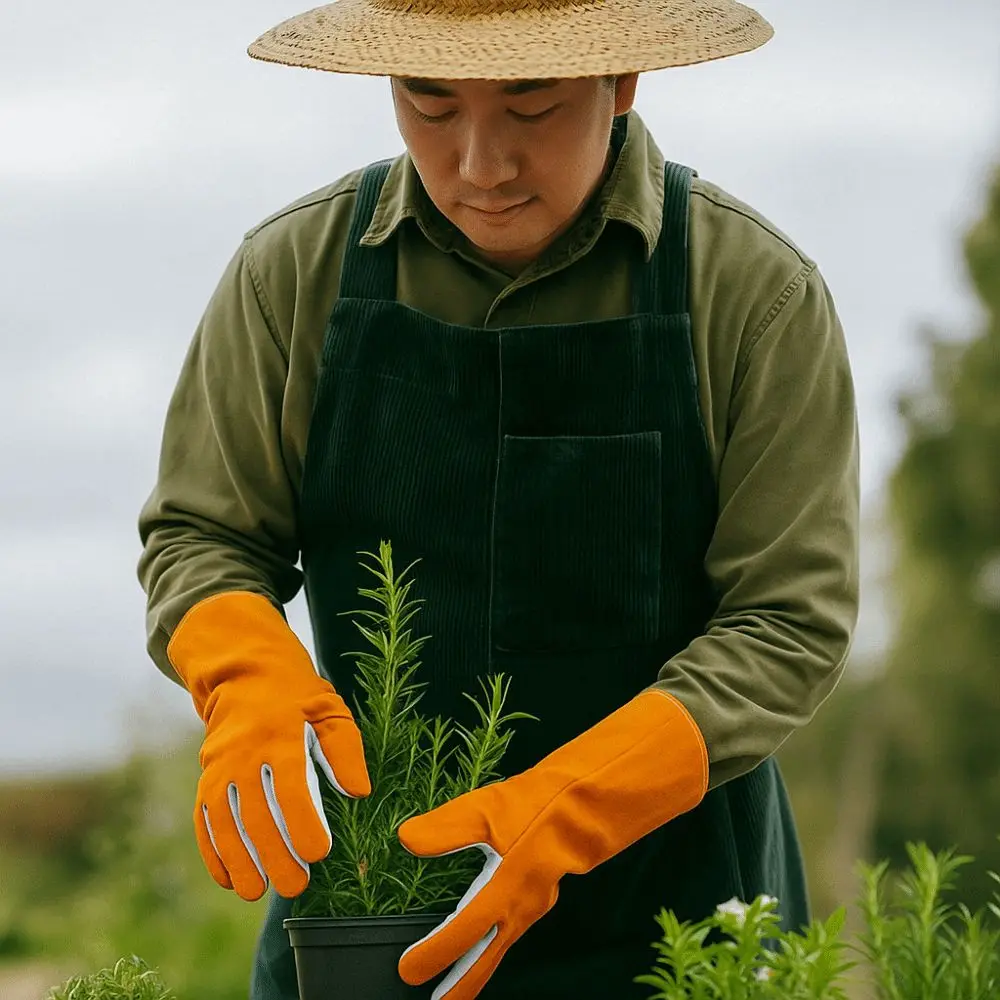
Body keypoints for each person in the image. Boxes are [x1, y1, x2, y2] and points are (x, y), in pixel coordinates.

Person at [136, 0, 860, 996]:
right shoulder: (291, 275)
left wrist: (567, 806)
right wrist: (239, 668)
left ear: (622, 82)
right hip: (368, 922)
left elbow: (787, 621)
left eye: (531, 103)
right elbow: (201, 532)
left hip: (686, 924)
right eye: (430, 102)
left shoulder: (749, 291)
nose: (480, 163)